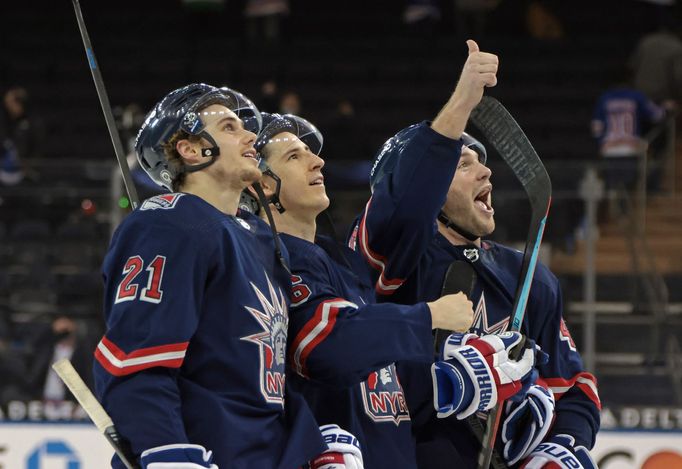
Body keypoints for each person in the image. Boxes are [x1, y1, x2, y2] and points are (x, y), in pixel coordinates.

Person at [249, 39, 544, 468]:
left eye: (313, 153)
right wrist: (429, 318)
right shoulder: (267, 259)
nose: (318, 163)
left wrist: (460, 386)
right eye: (296, 156)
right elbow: (323, 347)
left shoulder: (343, 266)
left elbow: (382, 392)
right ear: (259, 184)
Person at [350, 40, 601, 468]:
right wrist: (464, 100)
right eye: (462, 164)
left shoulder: (528, 276)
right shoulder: (395, 252)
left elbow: (573, 384)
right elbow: (407, 204)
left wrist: (564, 447)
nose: (486, 170)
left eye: (480, 162)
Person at [92, 83, 331, 469]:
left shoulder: (260, 240)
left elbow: (271, 380)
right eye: (230, 128)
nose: (251, 135)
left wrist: (313, 443)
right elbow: (136, 357)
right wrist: (164, 448)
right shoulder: (169, 221)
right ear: (190, 150)